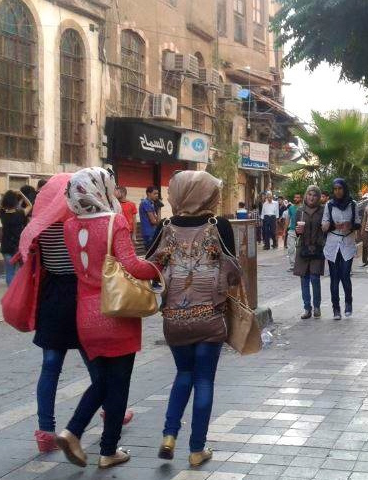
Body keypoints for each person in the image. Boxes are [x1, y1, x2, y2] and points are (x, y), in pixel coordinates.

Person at [56, 168, 160, 470]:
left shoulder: (69, 225)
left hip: (85, 313)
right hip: (116, 312)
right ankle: (101, 446)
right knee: (118, 384)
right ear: (101, 189)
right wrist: (157, 265)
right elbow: (132, 266)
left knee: (102, 380)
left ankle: (82, 435)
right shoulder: (115, 222)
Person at [146, 171, 240, 468]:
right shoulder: (219, 225)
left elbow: (150, 267)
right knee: (204, 380)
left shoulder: (166, 226)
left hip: (174, 317)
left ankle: (169, 436)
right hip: (210, 315)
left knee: (183, 374)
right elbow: (233, 269)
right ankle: (197, 449)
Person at [17, 174, 83, 453]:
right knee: (96, 362)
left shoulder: (38, 228)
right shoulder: (78, 224)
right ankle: (110, 410)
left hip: (51, 298)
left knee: (50, 365)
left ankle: (45, 431)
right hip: (80, 296)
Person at [322, 179, 360, 319]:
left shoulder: (352, 204)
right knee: (334, 278)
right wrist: (330, 225)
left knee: (345, 276)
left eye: (340, 188)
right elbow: (325, 221)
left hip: (347, 243)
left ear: (344, 189)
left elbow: (357, 223)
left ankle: (348, 303)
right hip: (333, 244)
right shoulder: (329, 204)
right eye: (335, 189)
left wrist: (350, 225)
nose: (337, 191)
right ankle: (336, 309)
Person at [294, 185, 325, 319]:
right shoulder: (300, 211)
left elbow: (326, 230)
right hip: (303, 249)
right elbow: (295, 231)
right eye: (309, 195)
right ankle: (307, 308)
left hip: (317, 249)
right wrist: (297, 231)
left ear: (318, 197)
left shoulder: (323, 211)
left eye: (315, 195)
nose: (311, 198)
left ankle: (317, 307)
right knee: (304, 279)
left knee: (315, 278)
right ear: (306, 196)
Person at [0, 189, 32, 285]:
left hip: (6, 247)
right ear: (15, 202)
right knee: (23, 272)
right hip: (19, 247)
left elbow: (1, 206)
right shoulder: (20, 214)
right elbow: (30, 205)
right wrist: (21, 194)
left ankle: (11, 297)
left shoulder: (2, 214)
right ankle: (20, 295)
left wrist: (6, 195)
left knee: (10, 273)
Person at [139, 186, 160, 251]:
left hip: (151, 232)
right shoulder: (146, 203)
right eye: (155, 193)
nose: (157, 195)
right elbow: (153, 221)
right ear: (148, 193)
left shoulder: (151, 203)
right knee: (151, 254)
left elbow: (157, 219)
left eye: (157, 193)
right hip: (149, 233)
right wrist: (159, 209)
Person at [286, 193, 301, 271]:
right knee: (291, 248)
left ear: (301, 198)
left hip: (301, 230)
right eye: (295, 197)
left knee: (299, 249)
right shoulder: (291, 208)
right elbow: (288, 219)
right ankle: (292, 265)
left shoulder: (303, 208)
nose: (296, 199)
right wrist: (285, 231)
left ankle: (299, 264)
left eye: (298, 197)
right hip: (291, 230)